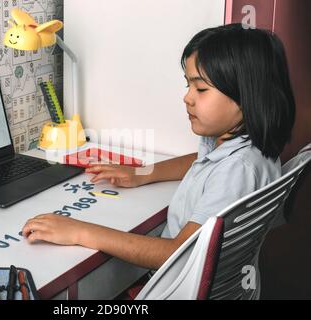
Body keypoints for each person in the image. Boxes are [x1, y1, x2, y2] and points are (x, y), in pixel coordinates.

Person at [22, 23, 296, 271]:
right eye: (188, 85)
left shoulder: (237, 171)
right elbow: (201, 161)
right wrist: (142, 173)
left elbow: (180, 254)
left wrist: (80, 232)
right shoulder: (241, 145)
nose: (187, 97)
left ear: (245, 96)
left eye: (200, 89)